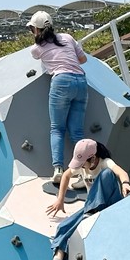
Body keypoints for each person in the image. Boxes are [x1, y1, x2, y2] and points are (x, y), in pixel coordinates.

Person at [34, 138, 130, 260]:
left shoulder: (105, 162)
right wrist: (60, 199)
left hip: (111, 204)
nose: (81, 167)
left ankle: (90, 213)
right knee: (63, 226)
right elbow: (66, 175)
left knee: (107, 174)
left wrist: (125, 183)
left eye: (83, 163)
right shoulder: (82, 166)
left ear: (93, 158)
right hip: (91, 208)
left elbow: (121, 172)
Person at [27, 11, 88, 187]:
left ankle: (58, 170)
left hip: (61, 82)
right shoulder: (67, 37)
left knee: (57, 129)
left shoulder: (36, 48)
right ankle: (83, 171)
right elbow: (82, 59)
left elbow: (39, 57)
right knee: (77, 132)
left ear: (36, 29)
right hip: (81, 81)